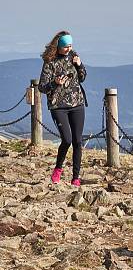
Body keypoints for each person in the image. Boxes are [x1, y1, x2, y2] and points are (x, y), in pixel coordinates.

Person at [39, 31, 88, 187]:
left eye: (71, 45)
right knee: (66, 140)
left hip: (77, 104)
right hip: (58, 106)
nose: (69, 49)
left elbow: (82, 77)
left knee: (78, 141)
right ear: (59, 46)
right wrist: (55, 83)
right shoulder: (49, 62)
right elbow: (42, 87)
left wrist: (80, 65)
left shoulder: (73, 56)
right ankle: (58, 169)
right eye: (66, 46)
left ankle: (76, 178)